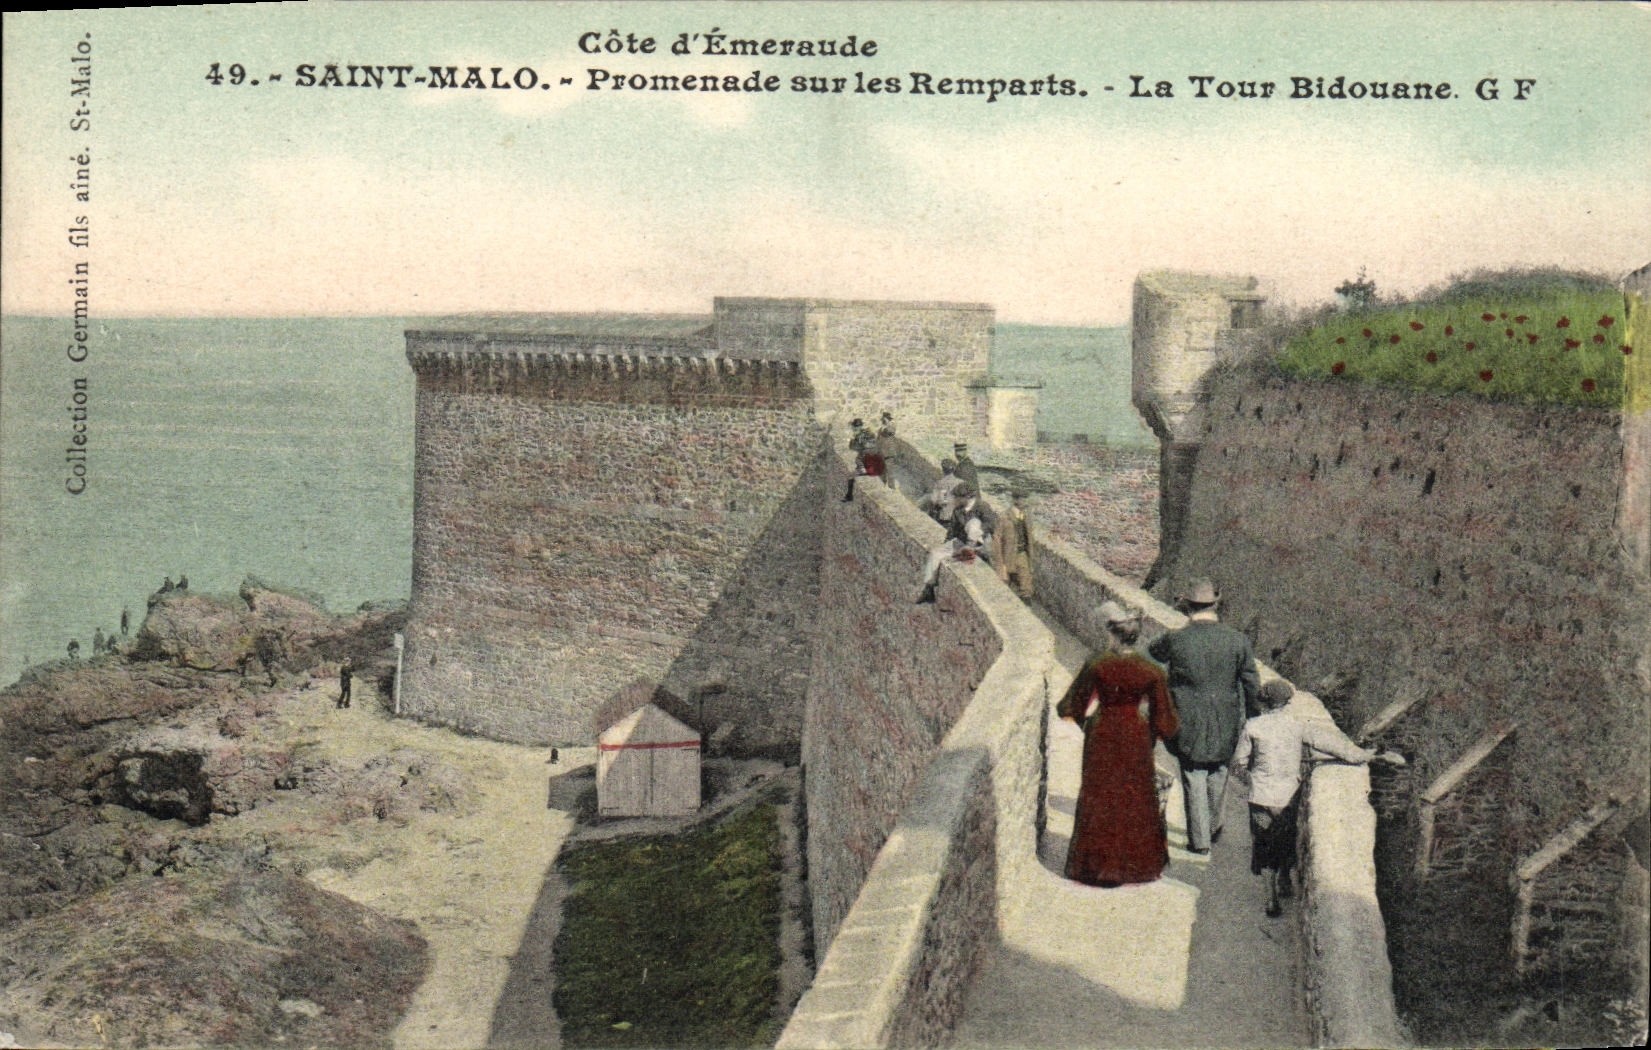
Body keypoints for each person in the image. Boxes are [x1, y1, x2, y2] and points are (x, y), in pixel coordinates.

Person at [1233, 679, 1405, 916]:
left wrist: (1251, 780)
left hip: (1261, 798)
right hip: (1287, 796)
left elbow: (1238, 764)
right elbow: (1335, 746)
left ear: (1264, 703)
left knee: (1263, 844)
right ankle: (1285, 879)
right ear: (1287, 703)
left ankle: (1270, 900)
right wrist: (1369, 755)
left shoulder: (1252, 726)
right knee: (1285, 838)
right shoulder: (1297, 725)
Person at [1057, 601, 1181, 886]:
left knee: (1099, 793)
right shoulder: (1151, 670)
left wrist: (1086, 723)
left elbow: (1071, 706)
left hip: (1102, 731)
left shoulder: (1097, 663)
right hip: (1135, 734)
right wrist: (1152, 734)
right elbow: (1166, 720)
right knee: (1134, 794)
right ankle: (1133, 866)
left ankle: (1095, 866)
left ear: (1113, 634)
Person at [1147, 578, 1259, 855]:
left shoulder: (1176, 638)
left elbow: (1150, 655)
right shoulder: (1238, 640)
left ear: (1187, 607)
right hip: (1226, 718)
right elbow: (1251, 685)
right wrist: (1254, 720)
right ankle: (1213, 825)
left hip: (1186, 718)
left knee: (1193, 773)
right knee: (1219, 769)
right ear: (1216, 604)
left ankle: (1200, 840)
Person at [914, 484, 989, 603]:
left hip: (980, 543)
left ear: (967, 497)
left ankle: (971, 550)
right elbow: (952, 530)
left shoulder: (981, 507)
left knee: (973, 523)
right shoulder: (958, 510)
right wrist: (946, 545)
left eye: (958, 498)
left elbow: (991, 524)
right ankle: (929, 587)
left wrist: (980, 534)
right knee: (935, 554)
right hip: (961, 542)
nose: (955, 500)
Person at [992, 490, 1034, 599]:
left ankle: (1026, 601)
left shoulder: (1025, 516)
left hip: (1022, 553)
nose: (1026, 502)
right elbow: (997, 539)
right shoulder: (1004, 517)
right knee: (1006, 585)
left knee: (1026, 585)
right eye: (1023, 498)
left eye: (1026, 498)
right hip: (1008, 555)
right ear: (1015, 500)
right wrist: (1000, 563)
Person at [919, 459, 965, 525]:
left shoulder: (941, 483)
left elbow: (938, 500)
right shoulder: (961, 482)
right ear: (954, 470)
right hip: (959, 517)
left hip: (946, 517)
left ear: (943, 470)